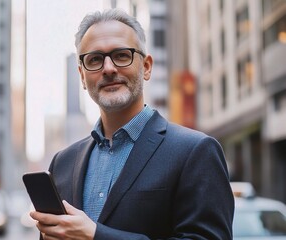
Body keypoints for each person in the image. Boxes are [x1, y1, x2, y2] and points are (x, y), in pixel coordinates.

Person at [30, 8, 234, 240]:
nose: (108, 68)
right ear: (82, 76)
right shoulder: (63, 162)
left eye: (121, 55)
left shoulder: (196, 151)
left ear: (146, 67)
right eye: (95, 59)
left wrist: (96, 236)